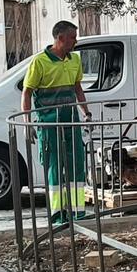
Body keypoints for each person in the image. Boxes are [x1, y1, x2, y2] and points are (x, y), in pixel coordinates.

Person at [21, 20, 92, 226]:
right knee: (54, 166)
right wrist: (28, 123)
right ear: (60, 38)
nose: (75, 41)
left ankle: (77, 211)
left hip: (71, 121)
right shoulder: (39, 62)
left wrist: (86, 113)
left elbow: (77, 88)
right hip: (49, 123)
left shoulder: (75, 60)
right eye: (72, 37)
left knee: (77, 165)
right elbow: (27, 92)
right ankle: (57, 213)